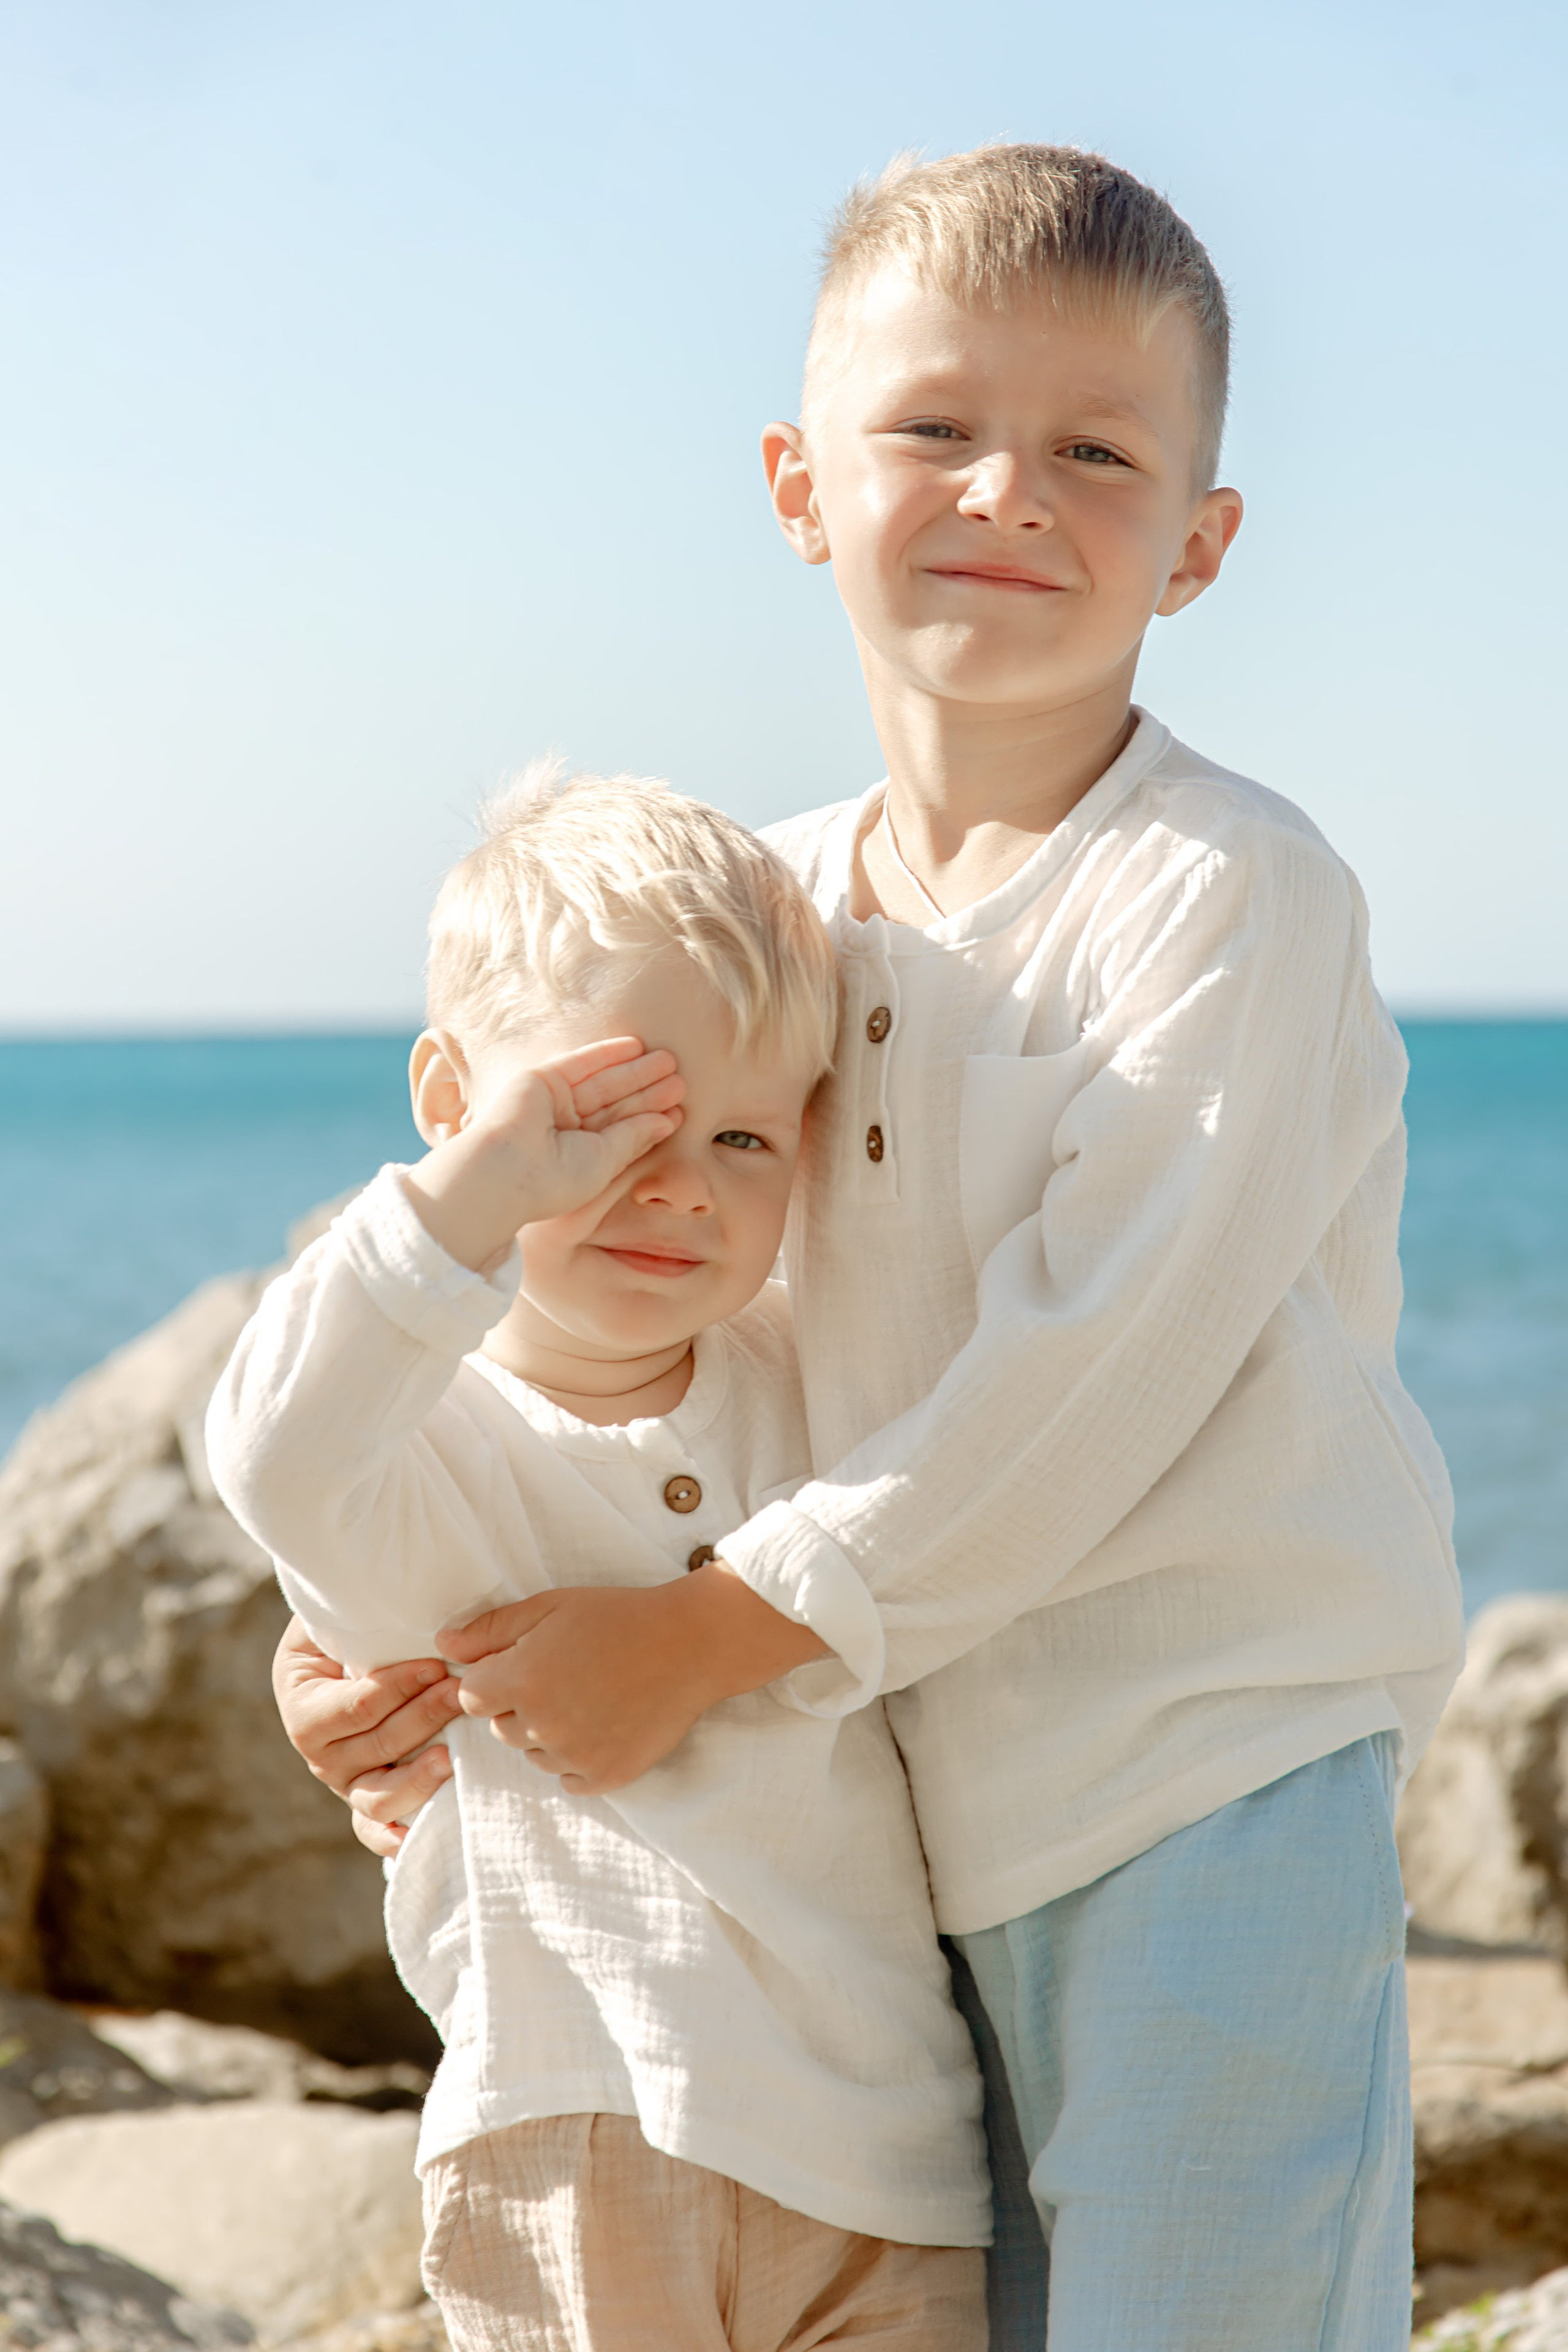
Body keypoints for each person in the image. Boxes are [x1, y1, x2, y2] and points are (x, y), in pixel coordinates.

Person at [276, 145, 1464, 2349]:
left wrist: (710, 1637)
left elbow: (1097, 1367)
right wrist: (380, 1638)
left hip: (1202, 1772)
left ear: (1197, 546)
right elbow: (611, 1339)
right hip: (886, 1829)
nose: (1010, 488)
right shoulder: (770, 922)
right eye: (934, 425)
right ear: (800, 483)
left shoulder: (1224, 893)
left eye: (1097, 450)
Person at [206, 768, 990, 2352]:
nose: (680, 1181)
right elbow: (270, 1449)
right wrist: (481, 1192)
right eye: (599, 1117)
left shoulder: (816, 1383)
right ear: (454, 1104)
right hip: (580, 2128)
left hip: (891, 2158)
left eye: (747, 1135)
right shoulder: (421, 1455)